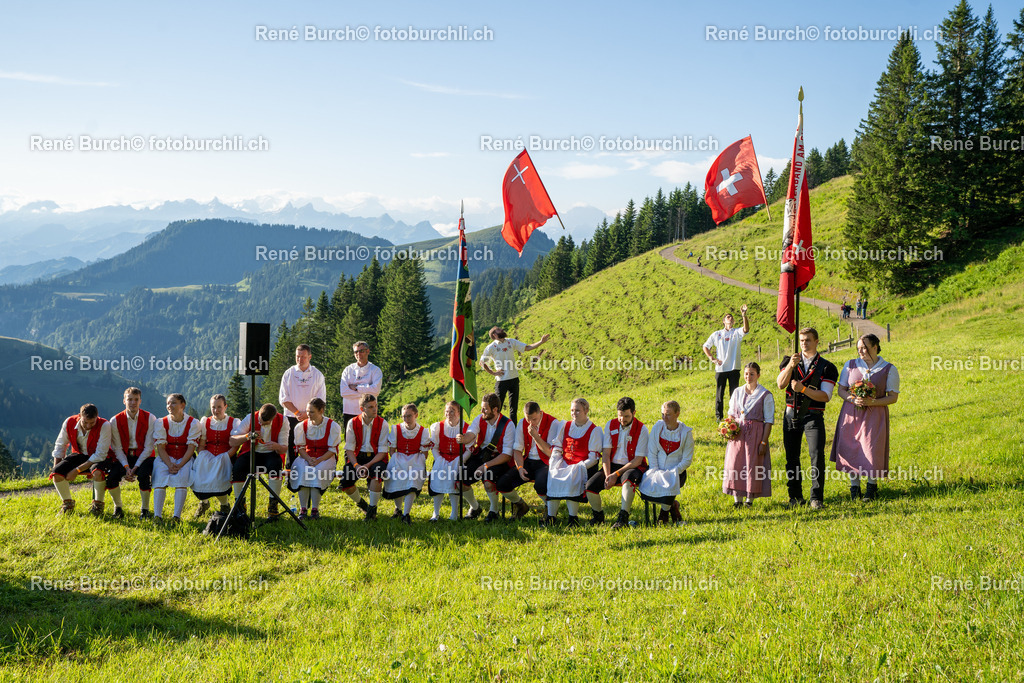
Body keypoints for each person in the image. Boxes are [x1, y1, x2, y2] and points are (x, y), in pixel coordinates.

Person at [831, 334, 900, 502]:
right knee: (851, 447)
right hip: (851, 413)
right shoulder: (850, 365)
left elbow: (893, 397)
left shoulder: (889, 369)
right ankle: (854, 489)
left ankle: (871, 488)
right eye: (859, 348)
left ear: (875, 347)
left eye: (864, 347)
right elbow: (841, 390)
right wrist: (853, 399)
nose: (860, 351)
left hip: (874, 414)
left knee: (871, 449)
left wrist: (872, 402)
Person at [776, 327, 839, 510]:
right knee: (792, 457)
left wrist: (803, 389)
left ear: (816, 342)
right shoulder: (789, 361)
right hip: (791, 414)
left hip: (813, 415)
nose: (804, 343)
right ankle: (795, 496)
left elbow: (825, 396)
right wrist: (790, 366)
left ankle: (816, 498)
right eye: (802, 340)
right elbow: (780, 384)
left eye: (808, 340)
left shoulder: (827, 367)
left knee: (817, 455)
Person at [587, 397, 649, 529]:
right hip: (612, 465)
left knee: (628, 479)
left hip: (633, 466)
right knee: (590, 486)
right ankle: (598, 516)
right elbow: (606, 454)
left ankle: (623, 518)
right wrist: (608, 475)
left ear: (634, 413)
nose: (622, 419)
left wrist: (616, 474)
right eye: (620, 415)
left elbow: (638, 460)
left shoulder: (642, 429)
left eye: (626, 416)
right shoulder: (611, 424)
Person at [496, 400, 559, 522]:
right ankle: (520, 505)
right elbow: (517, 450)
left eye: (534, 419)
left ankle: (550, 509)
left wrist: (535, 436)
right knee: (502, 484)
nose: (531, 423)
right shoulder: (522, 423)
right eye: (528, 419)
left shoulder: (553, 423)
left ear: (540, 413)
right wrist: (520, 468)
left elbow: (550, 453)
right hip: (528, 461)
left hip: (546, 462)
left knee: (540, 485)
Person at [456, 393, 515, 523]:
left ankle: (494, 510)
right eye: (482, 408)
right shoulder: (480, 418)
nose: (482, 411)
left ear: (495, 409)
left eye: (485, 409)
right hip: (482, 455)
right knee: (460, 480)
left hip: (499, 459)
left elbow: (506, 455)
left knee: (488, 481)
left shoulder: (508, 424)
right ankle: (475, 507)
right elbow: (471, 434)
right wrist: (464, 439)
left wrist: (485, 466)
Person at [545, 398, 603, 528]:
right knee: (554, 475)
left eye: (577, 410)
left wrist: (579, 467)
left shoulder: (594, 430)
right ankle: (551, 517)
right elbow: (557, 447)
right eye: (572, 410)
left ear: (586, 410)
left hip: (583, 466)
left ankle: (573, 518)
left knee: (572, 477)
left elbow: (594, 458)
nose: (574, 413)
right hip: (565, 462)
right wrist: (555, 461)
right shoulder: (565, 425)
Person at [723, 363, 774, 508]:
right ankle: (737, 500)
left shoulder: (765, 394)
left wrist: (763, 442)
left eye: (752, 374)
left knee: (752, 465)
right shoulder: (737, 392)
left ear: (758, 375)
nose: (748, 376)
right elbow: (731, 414)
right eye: (746, 373)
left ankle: (749, 500)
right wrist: (728, 428)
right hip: (738, 433)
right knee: (736, 464)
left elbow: (769, 421)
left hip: (756, 434)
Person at [50, 403, 112, 516]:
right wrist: (57, 469)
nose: (88, 426)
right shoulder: (69, 422)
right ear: (79, 416)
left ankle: (98, 506)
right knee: (56, 473)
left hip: (100, 458)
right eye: (85, 422)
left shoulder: (105, 425)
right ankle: (68, 505)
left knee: (97, 472)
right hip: (79, 455)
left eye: (92, 423)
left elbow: (100, 455)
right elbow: (60, 445)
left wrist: (76, 470)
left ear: (97, 417)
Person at [479, 326, 550, 424]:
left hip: (514, 378)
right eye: (499, 330)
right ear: (494, 335)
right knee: (497, 408)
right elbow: (482, 362)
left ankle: (513, 428)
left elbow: (527, 348)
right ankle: (495, 426)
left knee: (514, 408)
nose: (502, 329)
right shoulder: (491, 347)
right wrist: (493, 372)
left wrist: (541, 342)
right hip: (501, 381)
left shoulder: (510, 342)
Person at [638, 401, 694, 525]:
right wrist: (655, 470)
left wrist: (673, 472)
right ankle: (673, 506)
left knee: (670, 483)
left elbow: (687, 460)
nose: (664, 418)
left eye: (668, 414)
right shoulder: (658, 428)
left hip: (677, 472)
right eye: (663, 414)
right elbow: (652, 452)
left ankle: (663, 516)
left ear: (677, 414)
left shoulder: (686, 433)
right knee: (648, 489)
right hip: (656, 468)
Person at [229, 403, 289, 518]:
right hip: (251, 452)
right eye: (260, 421)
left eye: (265, 423)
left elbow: (284, 448)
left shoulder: (283, 420)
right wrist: (247, 436)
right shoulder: (250, 418)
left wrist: (277, 446)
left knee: (276, 465)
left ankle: (273, 505)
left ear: (273, 418)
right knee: (238, 467)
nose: (261, 424)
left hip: (271, 453)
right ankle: (239, 505)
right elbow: (232, 441)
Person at [288, 397, 341, 520]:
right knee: (302, 470)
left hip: (326, 457)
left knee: (317, 471)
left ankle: (315, 509)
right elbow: (300, 448)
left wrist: (319, 460)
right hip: (306, 456)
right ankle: (303, 508)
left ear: (321, 411)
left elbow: (332, 450)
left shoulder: (332, 426)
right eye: (307, 411)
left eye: (312, 412)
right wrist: (308, 459)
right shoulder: (301, 426)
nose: (308, 414)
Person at [151, 394, 202, 522]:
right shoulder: (161, 422)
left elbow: (191, 448)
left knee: (182, 480)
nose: (170, 406)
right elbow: (161, 448)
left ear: (182, 405)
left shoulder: (193, 423)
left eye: (173, 403)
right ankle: (157, 516)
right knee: (160, 479)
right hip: (166, 458)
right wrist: (169, 464)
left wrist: (180, 465)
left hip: (185, 458)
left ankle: (176, 517)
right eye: (168, 403)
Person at [339, 393, 390, 520]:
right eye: (371, 407)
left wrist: (367, 465)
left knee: (376, 474)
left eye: (375, 406)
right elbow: (349, 449)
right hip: (357, 458)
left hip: (376, 457)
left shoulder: (383, 423)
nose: (375, 409)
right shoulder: (352, 422)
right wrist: (356, 466)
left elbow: (382, 452)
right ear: (362, 409)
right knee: (345, 482)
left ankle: (372, 509)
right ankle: (362, 505)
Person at [110, 387, 157, 519]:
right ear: (124, 401)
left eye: (136, 399)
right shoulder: (115, 420)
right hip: (124, 456)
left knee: (143, 475)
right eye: (130, 399)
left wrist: (135, 467)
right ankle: (118, 508)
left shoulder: (150, 418)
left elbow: (149, 448)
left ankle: (145, 510)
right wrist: (126, 467)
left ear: (140, 401)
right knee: (112, 476)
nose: (133, 403)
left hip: (144, 456)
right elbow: (117, 448)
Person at [279, 344, 327, 468]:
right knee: (292, 446)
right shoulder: (288, 373)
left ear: (310, 357)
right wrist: (297, 413)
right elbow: (283, 398)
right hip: (291, 417)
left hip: (312, 418)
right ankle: (291, 473)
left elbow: (321, 399)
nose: (300, 359)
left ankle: (311, 470)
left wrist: (307, 414)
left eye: (303, 357)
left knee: (310, 445)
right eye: (297, 356)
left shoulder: (317, 375)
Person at [382, 403, 431, 524]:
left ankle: (406, 514)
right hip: (399, 458)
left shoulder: (423, 431)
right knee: (396, 477)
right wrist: (398, 460)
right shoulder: (396, 429)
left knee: (413, 480)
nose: (406, 419)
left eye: (409, 416)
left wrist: (417, 462)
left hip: (415, 459)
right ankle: (398, 509)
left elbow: (425, 453)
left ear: (416, 415)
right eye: (404, 416)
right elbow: (392, 450)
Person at [191, 394, 238, 518]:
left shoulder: (233, 422)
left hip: (226, 456)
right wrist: (203, 457)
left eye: (219, 407)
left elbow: (235, 446)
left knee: (218, 477)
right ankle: (204, 503)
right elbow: (202, 444)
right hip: (207, 455)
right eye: (213, 407)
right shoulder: (206, 422)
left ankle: (224, 505)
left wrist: (225, 457)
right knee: (198, 475)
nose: (216, 410)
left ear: (225, 407)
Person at [703, 304, 751, 422]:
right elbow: (705, 346)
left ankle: (733, 416)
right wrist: (712, 358)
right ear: (724, 321)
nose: (730, 318)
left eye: (732, 317)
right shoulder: (717, 334)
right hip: (721, 369)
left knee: (734, 394)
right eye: (728, 317)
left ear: (733, 322)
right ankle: (719, 417)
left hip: (734, 368)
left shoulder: (736, 332)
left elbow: (746, 329)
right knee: (720, 394)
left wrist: (744, 315)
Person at [427, 401, 468, 522]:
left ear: (459, 413)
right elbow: (434, 447)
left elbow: (469, 449)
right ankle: (436, 512)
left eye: (452, 411)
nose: (449, 414)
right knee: (437, 477)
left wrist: (460, 460)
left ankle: (454, 513)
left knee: (454, 479)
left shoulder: (466, 427)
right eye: (447, 411)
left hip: (459, 459)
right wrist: (439, 459)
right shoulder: (438, 427)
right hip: (442, 458)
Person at [339, 341, 382, 429]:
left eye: (361, 351)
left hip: (369, 412)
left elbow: (376, 390)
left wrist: (356, 388)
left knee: (368, 437)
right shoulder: (348, 370)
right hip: (349, 411)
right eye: (356, 352)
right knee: (350, 437)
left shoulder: (375, 370)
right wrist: (367, 392)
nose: (358, 354)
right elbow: (343, 392)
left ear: (368, 351)